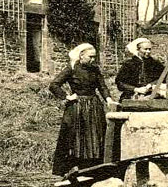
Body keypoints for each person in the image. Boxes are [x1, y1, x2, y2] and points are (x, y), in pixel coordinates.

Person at [49, 43, 117, 176]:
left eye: (94, 57)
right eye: (90, 57)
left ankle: (93, 168)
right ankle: (73, 167)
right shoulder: (72, 68)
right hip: (77, 107)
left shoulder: (95, 70)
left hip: (94, 106)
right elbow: (54, 85)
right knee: (76, 137)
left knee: (95, 136)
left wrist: (108, 99)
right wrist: (67, 97)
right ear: (81, 56)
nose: (93, 60)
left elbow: (102, 86)